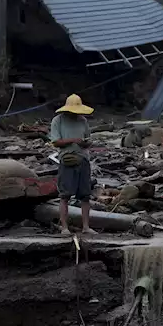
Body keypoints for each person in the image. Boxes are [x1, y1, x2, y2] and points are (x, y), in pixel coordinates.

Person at [51, 94, 95, 236]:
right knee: (65, 195)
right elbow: (56, 141)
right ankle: (64, 227)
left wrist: (85, 142)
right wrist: (73, 140)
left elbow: (88, 139)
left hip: (83, 159)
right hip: (68, 160)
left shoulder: (83, 120)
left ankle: (86, 227)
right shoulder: (58, 121)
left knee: (85, 195)